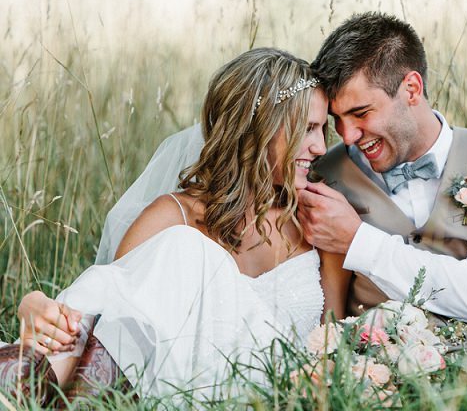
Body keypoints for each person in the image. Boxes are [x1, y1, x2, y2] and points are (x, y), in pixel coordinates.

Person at [2, 48, 349, 405]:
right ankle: (34, 384)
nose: (321, 146)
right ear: (258, 130)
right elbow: (113, 316)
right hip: (168, 385)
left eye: (322, 128)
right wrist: (36, 303)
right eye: (307, 128)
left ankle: (30, 380)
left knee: (190, 248)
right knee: (185, 244)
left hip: (268, 392)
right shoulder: (173, 215)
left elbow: (331, 345)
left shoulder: (318, 220)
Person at [297, 12, 467, 360]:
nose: (347, 136)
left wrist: (358, 241)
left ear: (412, 89)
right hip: (385, 382)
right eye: (337, 120)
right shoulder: (323, 175)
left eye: (360, 113)